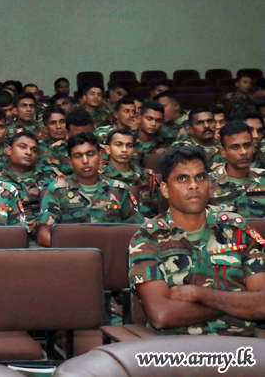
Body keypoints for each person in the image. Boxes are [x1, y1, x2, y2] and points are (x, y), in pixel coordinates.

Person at [128, 146, 265, 337]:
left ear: (210, 183)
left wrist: (197, 294)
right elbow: (162, 315)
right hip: (179, 349)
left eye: (200, 177)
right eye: (182, 179)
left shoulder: (237, 230)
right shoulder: (148, 238)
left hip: (240, 347)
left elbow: (262, 305)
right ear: (165, 189)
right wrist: (238, 302)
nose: (193, 185)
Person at [37, 132, 144, 247]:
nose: (85, 161)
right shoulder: (57, 190)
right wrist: (81, 252)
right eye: (78, 156)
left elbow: (137, 230)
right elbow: (44, 235)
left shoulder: (119, 190)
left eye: (90, 154)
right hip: (73, 254)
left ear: (100, 157)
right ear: (70, 162)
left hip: (112, 253)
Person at [0, 131, 43, 237]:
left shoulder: (49, 177)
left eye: (33, 150)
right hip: (4, 235)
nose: (29, 152)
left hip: (41, 237)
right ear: (9, 150)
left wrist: (40, 224)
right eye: (23, 147)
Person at [208, 122, 265, 217]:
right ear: (223, 152)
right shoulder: (208, 184)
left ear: (253, 148)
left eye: (247, 145)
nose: (243, 152)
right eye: (235, 147)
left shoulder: (263, 177)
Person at [100, 129, 158, 218]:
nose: (124, 150)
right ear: (108, 149)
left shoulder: (146, 176)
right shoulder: (99, 176)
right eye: (118, 145)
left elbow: (158, 210)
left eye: (129, 146)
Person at [134, 100, 172, 167]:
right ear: (139, 119)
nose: (153, 124)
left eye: (158, 121)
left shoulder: (167, 141)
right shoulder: (127, 139)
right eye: (149, 119)